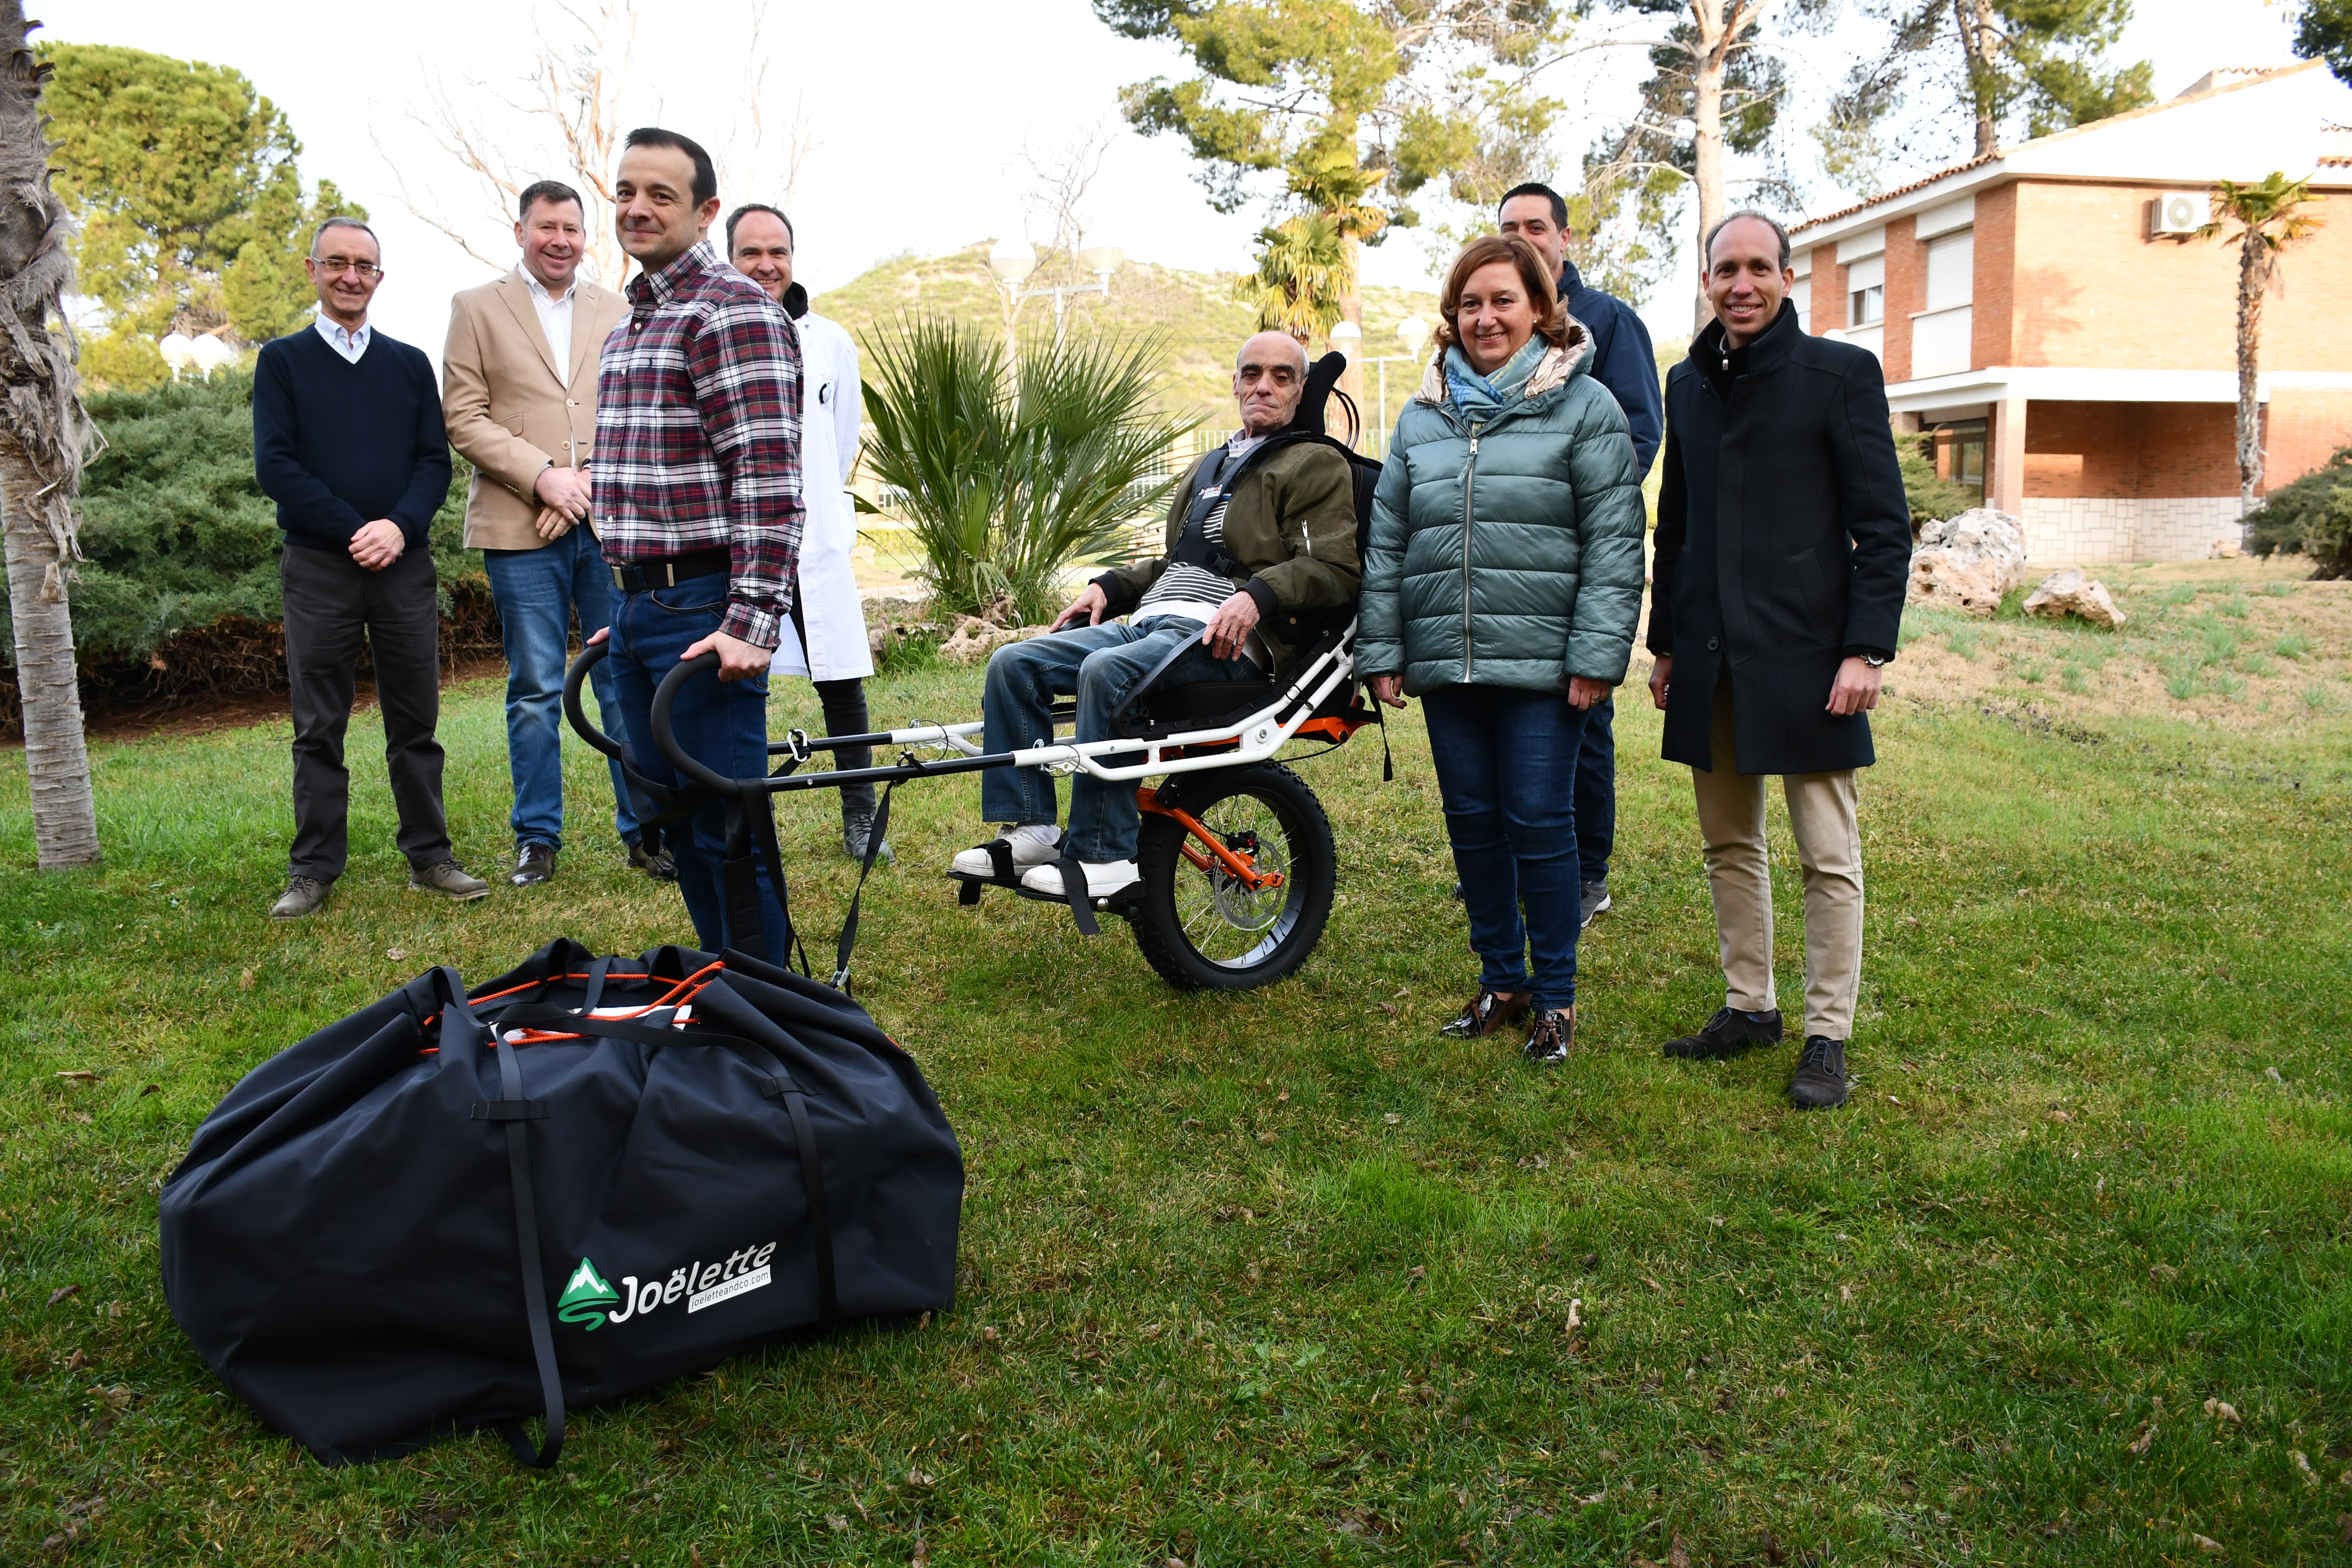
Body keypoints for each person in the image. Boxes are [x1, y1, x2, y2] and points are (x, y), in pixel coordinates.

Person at [1357, 234, 1644, 1064]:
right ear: (1454, 316)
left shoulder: (1585, 408)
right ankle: (1502, 980)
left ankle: (1555, 997)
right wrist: (1385, 645)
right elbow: (1390, 541)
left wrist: (1597, 653)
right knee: (1473, 823)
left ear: (1540, 310)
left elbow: (1617, 542)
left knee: (1539, 822)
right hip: (1448, 657)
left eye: (1503, 300)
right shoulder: (1422, 415)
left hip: (1546, 660)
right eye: (1471, 303)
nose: (1486, 317)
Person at [1647, 211, 1911, 1111]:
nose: (1743, 284)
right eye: (1727, 269)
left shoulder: (1840, 375)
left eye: (1760, 267)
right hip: (1711, 652)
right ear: (1708, 281)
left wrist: (1867, 647)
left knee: (1827, 852)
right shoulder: (1687, 382)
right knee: (1729, 841)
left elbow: (1881, 527)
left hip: (1810, 654)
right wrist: (1667, 642)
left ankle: (1826, 1032)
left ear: (1788, 279)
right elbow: (1674, 522)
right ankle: (1750, 1006)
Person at [947, 331, 1360, 901]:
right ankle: (1034, 829)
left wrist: (1260, 595)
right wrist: (1109, 587)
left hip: (1228, 638)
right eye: (1252, 374)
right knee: (1013, 664)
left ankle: (1106, 854)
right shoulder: (1212, 464)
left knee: (1106, 672)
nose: (1264, 386)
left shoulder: (1314, 463)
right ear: (1235, 383)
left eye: (1282, 377)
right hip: (1152, 621)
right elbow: (1179, 562)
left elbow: (1334, 568)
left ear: (1301, 389)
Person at [589, 127, 803, 963]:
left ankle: (775, 1020)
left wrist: (752, 620)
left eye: (661, 195)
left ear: (707, 211)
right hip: (643, 607)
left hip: (706, 606)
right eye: (626, 192)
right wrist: (629, 608)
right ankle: (726, 995)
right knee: (679, 823)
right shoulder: (632, 325)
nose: (637, 208)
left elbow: (768, 478)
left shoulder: (732, 311)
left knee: (726, 827)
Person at [253, 217, 488, 920]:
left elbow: (433, 463)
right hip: (320, 567)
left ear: (379, 277)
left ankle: (430, 857)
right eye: (337, 264)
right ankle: (314, 868)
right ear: (313, 270)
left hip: (402, 565)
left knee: (415, 720)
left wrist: (399, 527)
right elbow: (277, 467)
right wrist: (357, 529)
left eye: (365, 266)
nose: (351, 276)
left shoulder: (409, 364)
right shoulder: (282, 362)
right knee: (318, 723)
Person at [444, 179, 669, 890]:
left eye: (573, 228)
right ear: (521, 231)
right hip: (519, 525)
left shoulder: (618, 306)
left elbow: (641, 406)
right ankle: (537, 838)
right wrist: (544, 479)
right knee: (535, 685)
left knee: (620, 680)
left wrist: (588, 484)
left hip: (610, 526)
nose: (561, 240)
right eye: (547, 227)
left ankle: (645, 831)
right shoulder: (475, 308)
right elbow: (464, 415)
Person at [1496, 181, 1664, 931]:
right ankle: (1511, 865)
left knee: (1581, 709)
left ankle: (1586, 871)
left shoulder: (1609, 322)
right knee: (1504, 708)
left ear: (1567, 240)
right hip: (1499, 560)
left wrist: (1561, 500)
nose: (1525, 237)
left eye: (1537, 226)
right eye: (1510, 227)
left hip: (1573, 551)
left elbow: (1638, 432)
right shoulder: (1492, 323)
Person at [724, 202, 887, 863]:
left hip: (811, 536)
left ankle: (858, 811)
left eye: (778, 252)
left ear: (793, 257)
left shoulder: (831, 341)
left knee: (839, 678)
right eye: (750, 253)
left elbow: (840, 435)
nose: (766, 265)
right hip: (738, 537)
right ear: (727, 258)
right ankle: (741, 818)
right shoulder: (713, 333)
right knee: (735, 683)